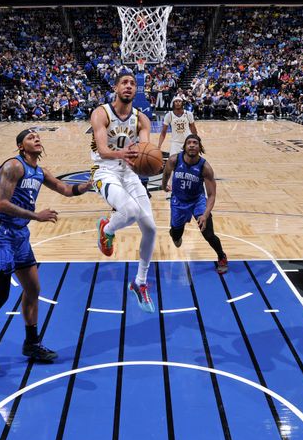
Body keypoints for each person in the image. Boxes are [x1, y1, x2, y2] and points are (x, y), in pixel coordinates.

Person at [0, 129, 91, 373]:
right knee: (0, 294)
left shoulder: (39, 171)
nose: (36, 138)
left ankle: (32, 343)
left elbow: (65, 189)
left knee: (33, 288)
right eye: (30, 137)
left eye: (38, 136)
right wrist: (37, 216)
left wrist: (86, 186)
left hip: (19, 235)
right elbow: (1, 205)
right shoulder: (14, 166)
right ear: (21, 146)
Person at [92, 70, 157, 313]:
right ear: (116, 87)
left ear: (136, 89)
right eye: (124, 83)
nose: (129, 86)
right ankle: (106, 228)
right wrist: (125, 154)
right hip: (104, 169)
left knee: (150, 228)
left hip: (129, 172)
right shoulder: (101, 113)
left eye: (132, 83)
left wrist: (144, 158)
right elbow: (102, 150)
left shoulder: (142, 119)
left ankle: (139, 282)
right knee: (129, 211)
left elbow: (144, 149)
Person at [161, 134, 228, 274]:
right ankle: (175, 233)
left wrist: (205, 214)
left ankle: (222, 256)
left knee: (208, 234)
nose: (192, 145)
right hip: (178, 201)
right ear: (184, 146)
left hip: (197, 201)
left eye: (195, 143)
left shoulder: (205, 167)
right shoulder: (174, 160)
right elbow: (166, 173)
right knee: (176, 235)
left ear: (199, 147)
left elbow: (212, 195)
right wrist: (163, 185)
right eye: (189, 143)